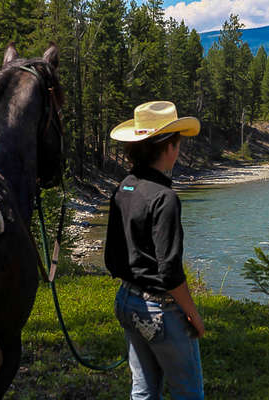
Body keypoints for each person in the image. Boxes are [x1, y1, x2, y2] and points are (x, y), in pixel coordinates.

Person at [105, 101, 205, 400]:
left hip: (127, 300)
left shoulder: (125, 186)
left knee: (143, 391)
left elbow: (113, 257)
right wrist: (193, 315)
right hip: (159, 310)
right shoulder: (166, 198)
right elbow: (170, 272)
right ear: (170, 148)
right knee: (188, 393)